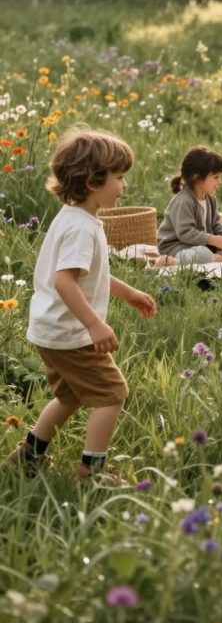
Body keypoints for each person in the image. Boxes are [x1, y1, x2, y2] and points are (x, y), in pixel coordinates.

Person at [9, 126, 157, 481]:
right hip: (71, 333)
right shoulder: (82, 227)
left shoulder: (74, 217)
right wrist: (94, 324)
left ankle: (28, 455)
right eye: (119, 178)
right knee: (112, 393)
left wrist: (128, 292)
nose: (124, 186)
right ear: (93, 182)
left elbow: (85, 274)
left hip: (50, 330)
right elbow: (64, 280)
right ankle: (91, 472)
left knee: (71, 397)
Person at [156, 145, 222, 267]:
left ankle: (214, 260)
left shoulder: (210, 198)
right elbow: (186, 233)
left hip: (201, 246)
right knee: (203, 254)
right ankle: (172, 263)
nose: (220, 181)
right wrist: (213, 240)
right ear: (197, 178)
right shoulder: (183, 201)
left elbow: (216, 224)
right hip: (177, 247)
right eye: (216, 177)